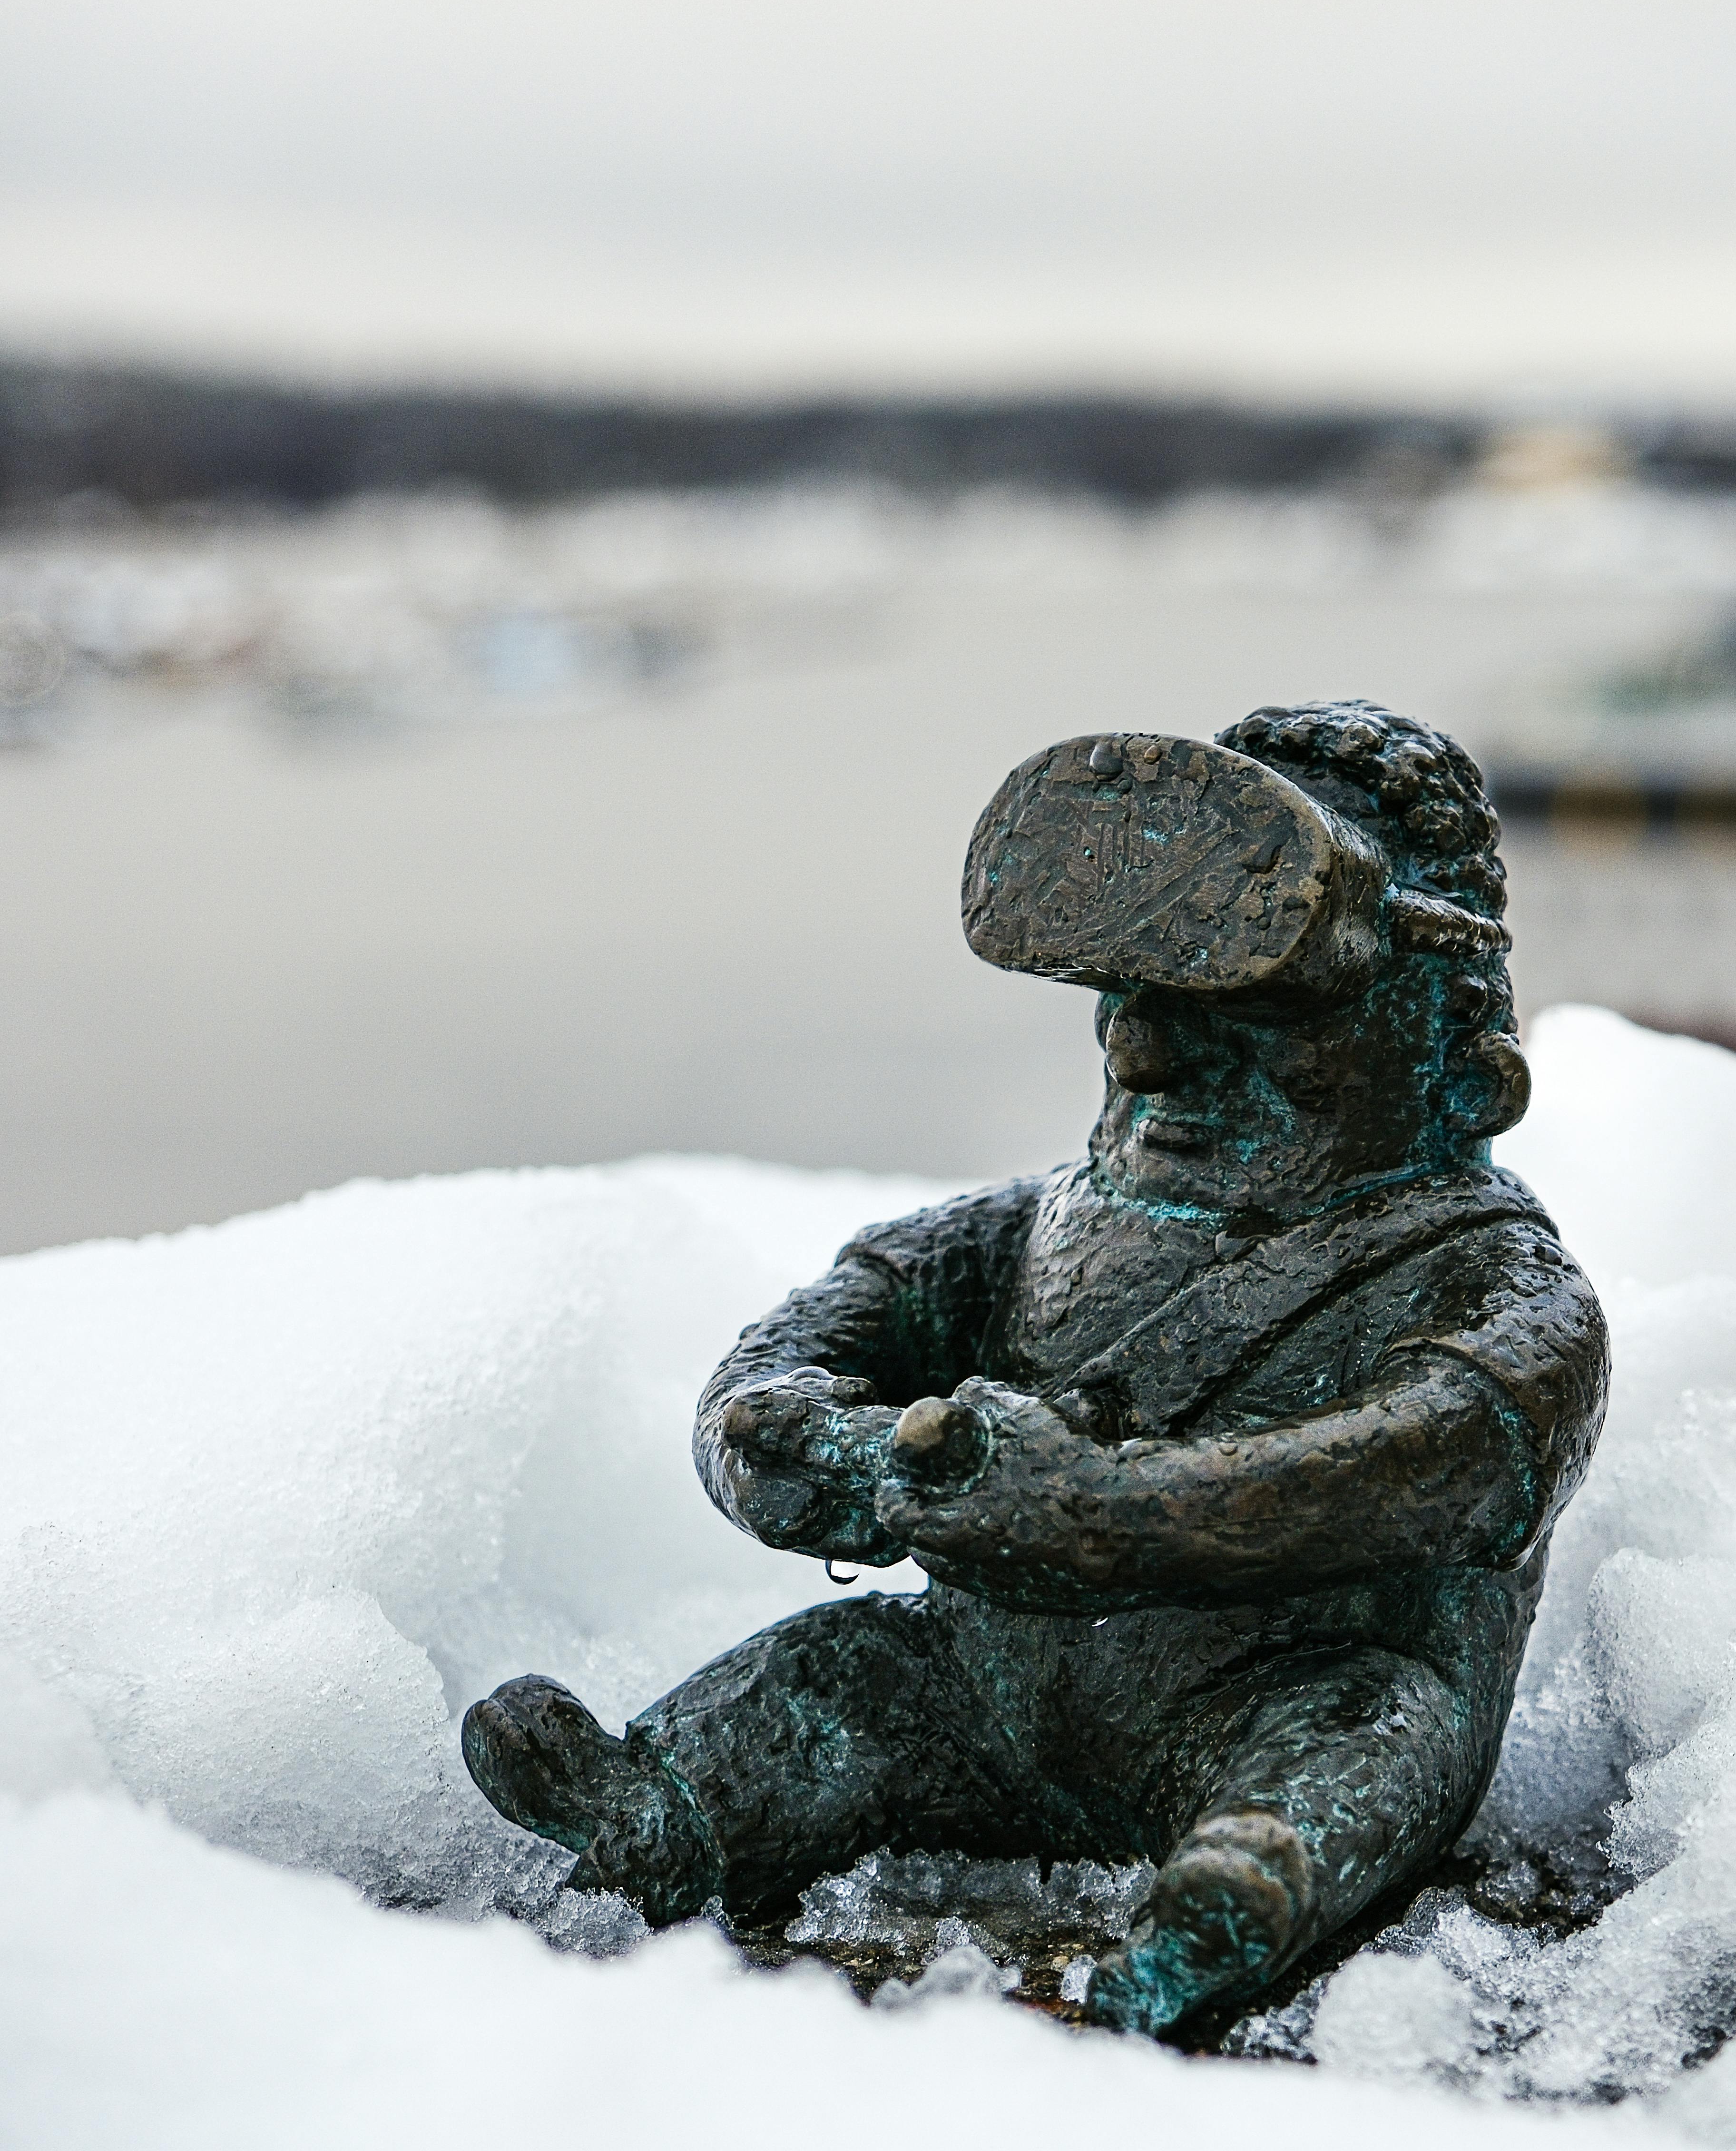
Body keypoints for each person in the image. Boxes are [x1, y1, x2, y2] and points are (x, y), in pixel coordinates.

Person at [460, 702, 1607, 2038]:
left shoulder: (1492, 1284)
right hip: (983, 1691)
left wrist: (1107, 1514)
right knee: (854, 1682)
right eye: (1134, 1000)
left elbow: (1417, 1463)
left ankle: (1232, 1902)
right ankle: (666, 1810)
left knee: (1369, 1732)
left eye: (1245, 1019)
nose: (1143, 1051)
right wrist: (802, 1445)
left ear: (1454, 1054)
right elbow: (819, 1333)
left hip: (1278, 1693)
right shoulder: (1033, 1229)